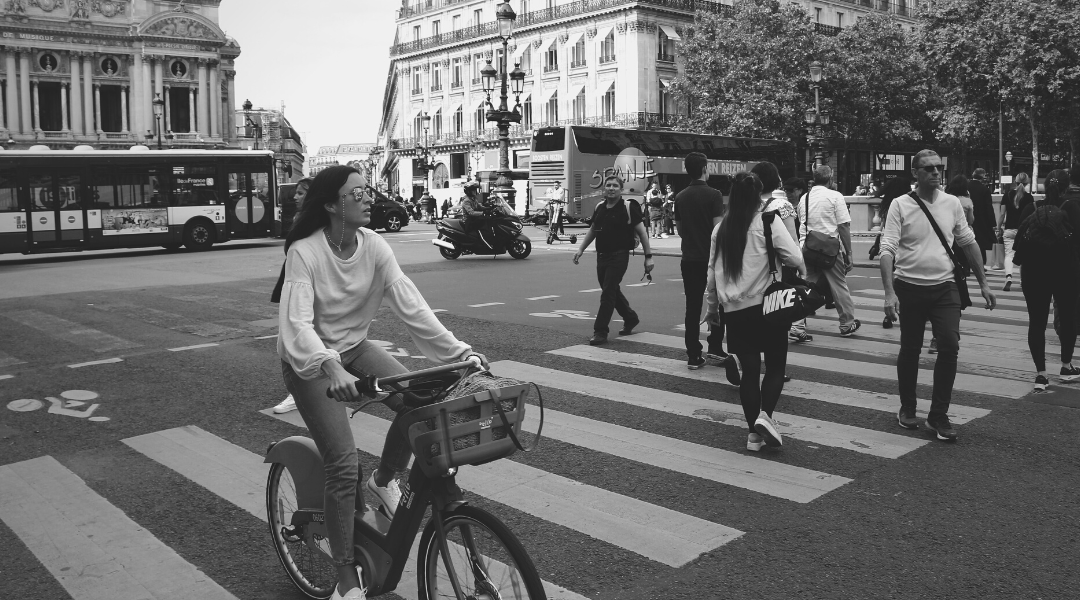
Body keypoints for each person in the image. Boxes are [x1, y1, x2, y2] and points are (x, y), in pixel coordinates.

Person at [274, 165, 488, 600]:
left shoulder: (374, 245)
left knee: (418, 407)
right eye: (357, 193)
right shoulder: (305, 252)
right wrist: (329, 366)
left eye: (367, 190)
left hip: (355, 348)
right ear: (331, 205)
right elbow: (296, 323)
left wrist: (459, 354)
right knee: (342, 463)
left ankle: (384, 477)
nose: (368, 198)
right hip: (310, 362)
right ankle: (345, 576)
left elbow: (412, 305)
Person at [879, 149, 996, 442]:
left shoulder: (951, 203)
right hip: (909, 286)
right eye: (928, 168)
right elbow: (887, 249)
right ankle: (908, 406)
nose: (935, 172)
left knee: (949, 344)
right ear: (915, 173)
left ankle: (938, 415)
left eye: (938, 168)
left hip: (945, 286)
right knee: (910, 348)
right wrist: (889, 293)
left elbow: (968, 242)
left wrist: (983, 283)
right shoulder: (900, 205)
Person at [705, 171, 805, 451]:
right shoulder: (768, 221)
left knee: (749, 373)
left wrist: (712, 309)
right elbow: (794, 257)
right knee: (775, 367)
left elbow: (711, 275)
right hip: (769, 307)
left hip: (735, 311)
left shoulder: (720, 229)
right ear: (759, 196)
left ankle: (753, 435)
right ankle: (766, 417)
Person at [1013, 169, 1080, 391]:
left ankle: (1041, 375)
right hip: (1065, 272)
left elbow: (1020, 238)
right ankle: (1066, 366)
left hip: (1033, 274)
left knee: (1036, 322)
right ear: (1066, 187)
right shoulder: (1071, 208)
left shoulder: (1031, 208)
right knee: (1068, 319)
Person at [573, 175, 654, 346]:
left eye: (615, 186)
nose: (611, 188)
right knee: (611, 290)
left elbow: (642, 233)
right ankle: (630, 318)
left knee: (608, 293)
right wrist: (580, 249)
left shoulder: (628, 207)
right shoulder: (600, 207)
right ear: (604, 189)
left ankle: (600, 331)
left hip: (619, 256)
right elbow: (593, 230)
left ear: (621, 189)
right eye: (608, 185)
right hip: (601, 256)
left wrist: (648, 257)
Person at [673, 152, 727, 369]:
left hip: (689, 258)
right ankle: (715, 345)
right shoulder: (714, 195)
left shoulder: (680, 197)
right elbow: (718, 229)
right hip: (712, 258)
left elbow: (680, 230)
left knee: (692, 306)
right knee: (719, 302)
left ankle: (693, 354)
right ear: (705, 168)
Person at [797, 165, 860, 336]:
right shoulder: (835, 196)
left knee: (805, 287)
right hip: (829, 250)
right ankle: (847, 324)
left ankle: (797, 325)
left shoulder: (804, 198)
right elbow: (843, 226)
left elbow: (802, 222)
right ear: (830, 179)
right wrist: (849, 253)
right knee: (839, 286)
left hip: (807, 248)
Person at [272, 177, 314, 414]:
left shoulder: (314, 221)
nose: (295, 197)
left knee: (296, 337)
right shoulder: (302, 218)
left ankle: (298, 393)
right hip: (296, 278)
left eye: (300, 193)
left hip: (307, 283)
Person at [782, 177, 813, 343]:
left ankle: (798, 325)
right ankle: (798, 326)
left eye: (791, 190)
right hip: (790, 254)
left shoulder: (804, 206)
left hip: (800, 251)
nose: (788, 193)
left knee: (798, 288)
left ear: (800, 190)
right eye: (786, 190)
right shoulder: (783, 207)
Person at [998, 172, 1033, 292]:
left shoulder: (1007, 195)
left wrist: (998, 228)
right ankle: (1023, 280)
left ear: (1015, 181)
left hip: (1009, 229)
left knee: (1009, 254)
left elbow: (1002, 214)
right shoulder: (1029, 197)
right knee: (1025, 255)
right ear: (1027, 183)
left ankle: (1008, 277)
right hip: (1024, 230)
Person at [969, 168, 998, 266]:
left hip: (967, 218)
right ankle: (981, 264)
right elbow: (988, 208)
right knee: (980, 243)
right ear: (983, 177)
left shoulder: (966, 187)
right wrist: (993, 223)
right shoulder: (984, 189)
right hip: (981, 220)